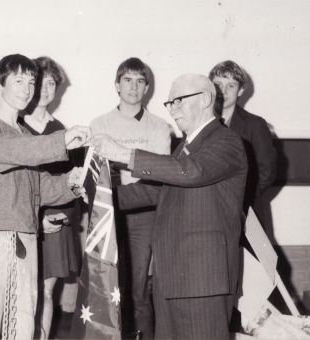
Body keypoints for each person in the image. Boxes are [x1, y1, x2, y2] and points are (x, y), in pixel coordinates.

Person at [92, 73, 247, 339]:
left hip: (202, 279)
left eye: (179, 101)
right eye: (170, 103)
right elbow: (154, 190)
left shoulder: (226, 141)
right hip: (173, 276)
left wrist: (122, 154)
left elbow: (190, 172)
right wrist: (98, 195)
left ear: (206, 99)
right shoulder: (187, 147)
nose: (172, 109)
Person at [0, 54, 90, 339]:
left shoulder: (23, 134)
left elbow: (39, 187)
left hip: (25, 237)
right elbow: (4, 152)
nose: (27, 88)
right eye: (18, 80)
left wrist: (71, 181)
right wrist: (62, 140)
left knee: (21, 325)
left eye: (31, 82)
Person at [90, 57, 171, 338]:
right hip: (108, 216)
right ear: (117, 85)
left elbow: (156, 176)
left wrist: (120, 159)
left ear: (147, 88)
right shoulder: (99, 123)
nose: (133, 87)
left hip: (142, 216)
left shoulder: (160, 128)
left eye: (140, 81)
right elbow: (100, 175)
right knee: (110, 288)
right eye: (127, 80)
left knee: (138, 291)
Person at [23, 56, 80, 339]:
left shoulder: (62, 131)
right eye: (40, 82)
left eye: (51, 83)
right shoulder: (15, 125)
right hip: (21, 220)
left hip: (54, 221)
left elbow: (68, 185)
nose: (45, 90)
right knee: (23, 291)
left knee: (46, 290)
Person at [209, 60, 277, 220]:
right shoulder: (197, 121)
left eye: (231, 86)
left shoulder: (255, 125)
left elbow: (266, 172)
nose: (223, 91)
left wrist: (240, 197)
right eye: (218, 84)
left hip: (243, 211)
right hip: (207, 210)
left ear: (240, 91)